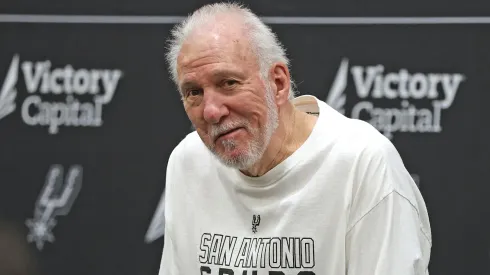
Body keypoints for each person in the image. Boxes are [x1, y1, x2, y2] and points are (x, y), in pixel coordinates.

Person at [159, 2, 432, 275]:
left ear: (277, 83)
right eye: (194, 92)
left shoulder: (363, 163)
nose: (211, 111)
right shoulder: (188, 162)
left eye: (228, 83)